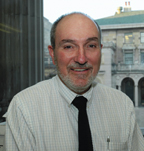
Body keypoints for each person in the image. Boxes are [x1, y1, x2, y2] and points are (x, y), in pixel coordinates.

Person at [5, 12, 144, 151]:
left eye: (91, 46)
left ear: (100, 52)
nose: (81, 59)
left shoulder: (122, 105)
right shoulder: (24, 108)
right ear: (52, 54)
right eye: (68, 46)